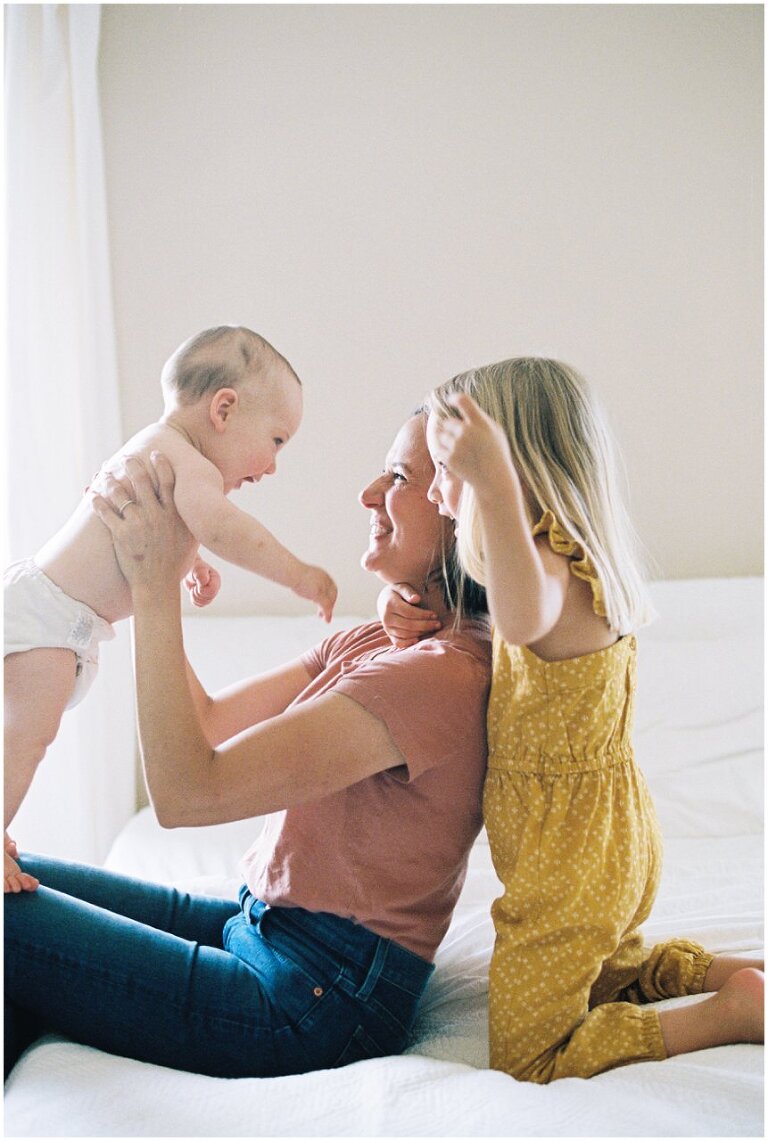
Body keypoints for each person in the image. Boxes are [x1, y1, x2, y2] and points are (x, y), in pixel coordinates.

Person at [4, 411, 492, 1080]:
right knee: (16, 877)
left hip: (317, 1001)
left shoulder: (443, 674)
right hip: (265, 925)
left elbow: (185, 791)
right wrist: (140, 573)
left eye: (401, 476)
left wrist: (152, 588)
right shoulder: (380, 638)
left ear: (464, 512)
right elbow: (204, 721)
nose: (369, 492)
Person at [378, 357, 764, 1082]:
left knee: (530, 1057)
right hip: (607, 843)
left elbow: (520, 618)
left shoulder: (547, 569)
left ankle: (729, 1012)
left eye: (444, 469)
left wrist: (490, 483)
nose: (435, 491)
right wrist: (391, 606)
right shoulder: (574, 563)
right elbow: (489, 613)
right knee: (609, 967)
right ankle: (729, 971)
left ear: (513, 468)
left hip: (567, 864)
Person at [4, 325, 337, 893]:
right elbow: (227, 528)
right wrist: (297, 574)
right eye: (277, 441)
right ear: (224, 410)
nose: (273, 466)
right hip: (49, 617)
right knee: (26, 735)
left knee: (29, 734)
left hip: (55, 615)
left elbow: (179, 529)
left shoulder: (162, 453)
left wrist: (191, 562)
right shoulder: (189, 462)